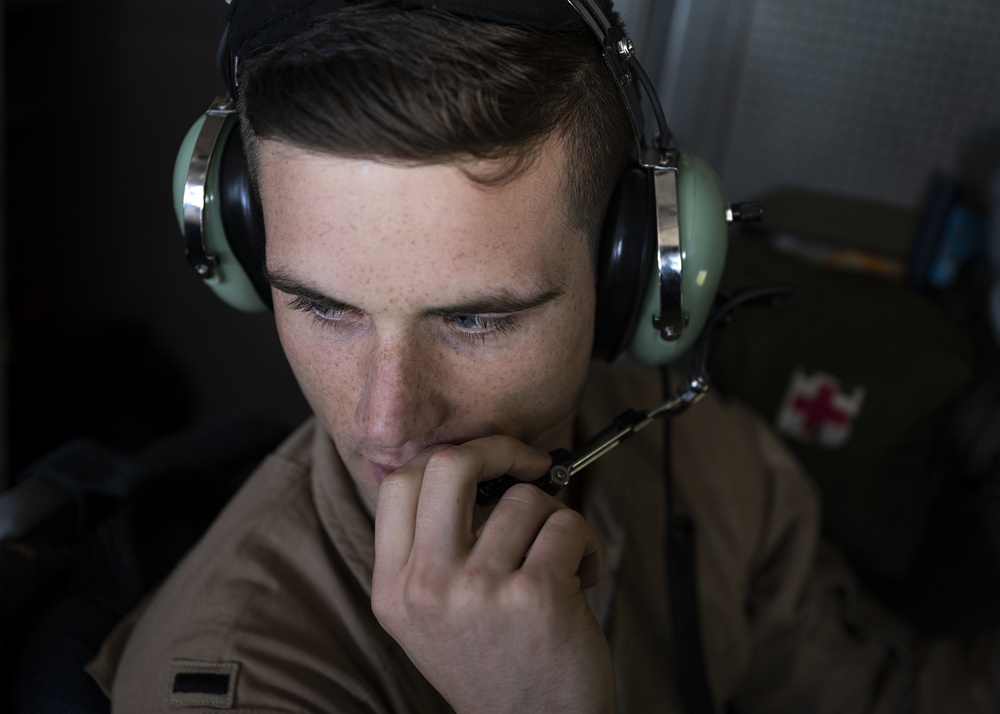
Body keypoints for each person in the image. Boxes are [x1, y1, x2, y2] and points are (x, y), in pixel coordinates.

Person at [86, 0, 1000, 711]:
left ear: (634, 281)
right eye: (323, 307)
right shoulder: (246, 680)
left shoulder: (706, 459)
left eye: (477, 320)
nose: (386, 421)